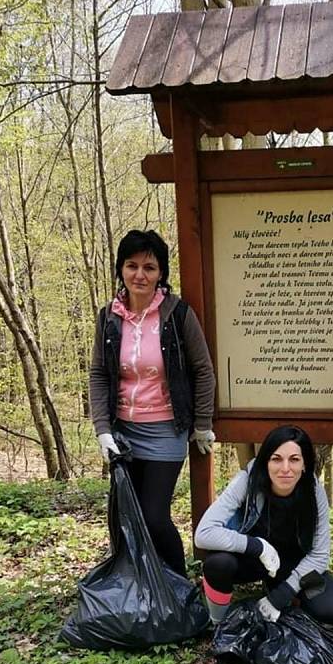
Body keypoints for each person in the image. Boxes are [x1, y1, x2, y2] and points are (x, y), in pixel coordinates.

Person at [89, 229, 215, 577]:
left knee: (155, 516)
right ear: (121, 269)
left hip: (165, 430)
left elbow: (203, 370)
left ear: (161, 273)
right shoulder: (108, 318)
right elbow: (99, 373)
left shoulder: (177, 315)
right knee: (123, 515)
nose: (140, 275)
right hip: (123, 432)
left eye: (150, 267)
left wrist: (202, 423)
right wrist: (103, 430)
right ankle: (136, 582)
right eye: (132, 266)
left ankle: (177, 583)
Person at [195, 425, 333, 629]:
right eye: (276, 459)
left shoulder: (313, 492)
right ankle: (219, 624)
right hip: (253, 560)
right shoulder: (247, 481)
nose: (285, 468)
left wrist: (282, 595)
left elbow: (320, 555)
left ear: (304, 464)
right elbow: (204, 533)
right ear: (266, 462)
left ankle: (277, 588)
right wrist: (256, 546)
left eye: (294, 459)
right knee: (218, 564)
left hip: (294, 565)